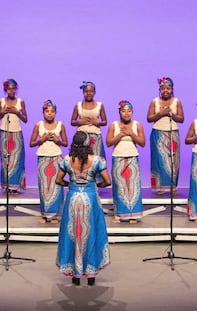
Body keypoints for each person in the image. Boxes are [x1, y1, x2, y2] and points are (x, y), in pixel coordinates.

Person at [56, 131, 111, 286]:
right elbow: (107, 181)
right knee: (91, 232)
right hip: (90, 199)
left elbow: (58, 180)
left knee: (73, 233)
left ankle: (75, 275)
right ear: (89, 144)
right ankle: (91, 275)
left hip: (73, 198)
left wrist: (71, 185)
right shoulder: (97, 160)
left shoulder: (66, 160)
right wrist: (95, 185)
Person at [106, 100, 145, 224]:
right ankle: (119, 214)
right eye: (123, 111)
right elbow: (108, 142)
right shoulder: (114, 125)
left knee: (132, 187)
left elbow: (142, 143)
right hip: (118, 157)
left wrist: (131, 134)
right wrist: (120, 135)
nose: (126, 113)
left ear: (132, 112)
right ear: (119, 112)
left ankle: (133, 214)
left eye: (129, 111)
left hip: (132, 157)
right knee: (120, 187)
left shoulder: (137, 125)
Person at [29, 100, 68, 224]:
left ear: (55, 112)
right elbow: (31, 143)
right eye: (47, 111)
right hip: (43, 158)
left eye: (52, 111)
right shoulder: (38, 125)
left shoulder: (60, 125)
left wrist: (58, 141)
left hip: (56, 157)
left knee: (56, 186)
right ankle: (45, 214)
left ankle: (56, 214)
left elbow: (66, 143)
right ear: (43, 112)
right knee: (44, 186)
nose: (49, 114)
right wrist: (42, 139)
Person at [147, 77, 184, 196]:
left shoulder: (176, 101)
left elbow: (181, 119)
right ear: (160, 89)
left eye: (168, 88)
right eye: (163, 88)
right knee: (159, 161)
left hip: (172, 133)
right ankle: (160, 187)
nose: (165, 91)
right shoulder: (155, 101)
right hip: (158, 133)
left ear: (172, 89)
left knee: (173, 161)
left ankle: (173, 187)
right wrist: (160, 113)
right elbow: (149, 118)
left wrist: (171, 114)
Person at [0, 79, 28, 194]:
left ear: (16, 89)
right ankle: (7, 185)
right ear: (5, 89)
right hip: (4, 132)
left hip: (17, 133)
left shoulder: (20, 102)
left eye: (14, 88)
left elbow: (25, 119)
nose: (11, 90)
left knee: (17, 160)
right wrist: (3, 112)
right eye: (9, 88)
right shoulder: (1, 101)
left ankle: (15, 186)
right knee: (5, 160)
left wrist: (17, 112)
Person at [70, 81, 107, 182]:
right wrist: (79, 121)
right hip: (81, 137)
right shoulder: (78, 105)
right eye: (86, 91)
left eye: (91, 91)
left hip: (95, 137)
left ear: (94, 92)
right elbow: (72, 122)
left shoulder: (100, 105)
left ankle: (95, 181)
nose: (88, 93)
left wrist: (97, 122)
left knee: (94, 159)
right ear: (83, 92)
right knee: (81, 158)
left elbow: (105, 121)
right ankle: (81, 179)